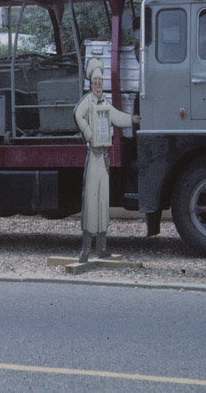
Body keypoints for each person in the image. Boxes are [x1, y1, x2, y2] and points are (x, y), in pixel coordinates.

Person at [73, 58, 140, 262]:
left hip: (104, 157)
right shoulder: (88, 101)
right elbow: (78, 115)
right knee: (91, 202)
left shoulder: (105, 103)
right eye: (95, 83)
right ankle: (86, 249)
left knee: (103, 202)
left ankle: (102, 248)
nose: (98, 86)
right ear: (91, 85)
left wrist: (131, 119)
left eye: (100, 82)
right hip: (93, 156)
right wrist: (90, 134)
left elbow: (116, 117)